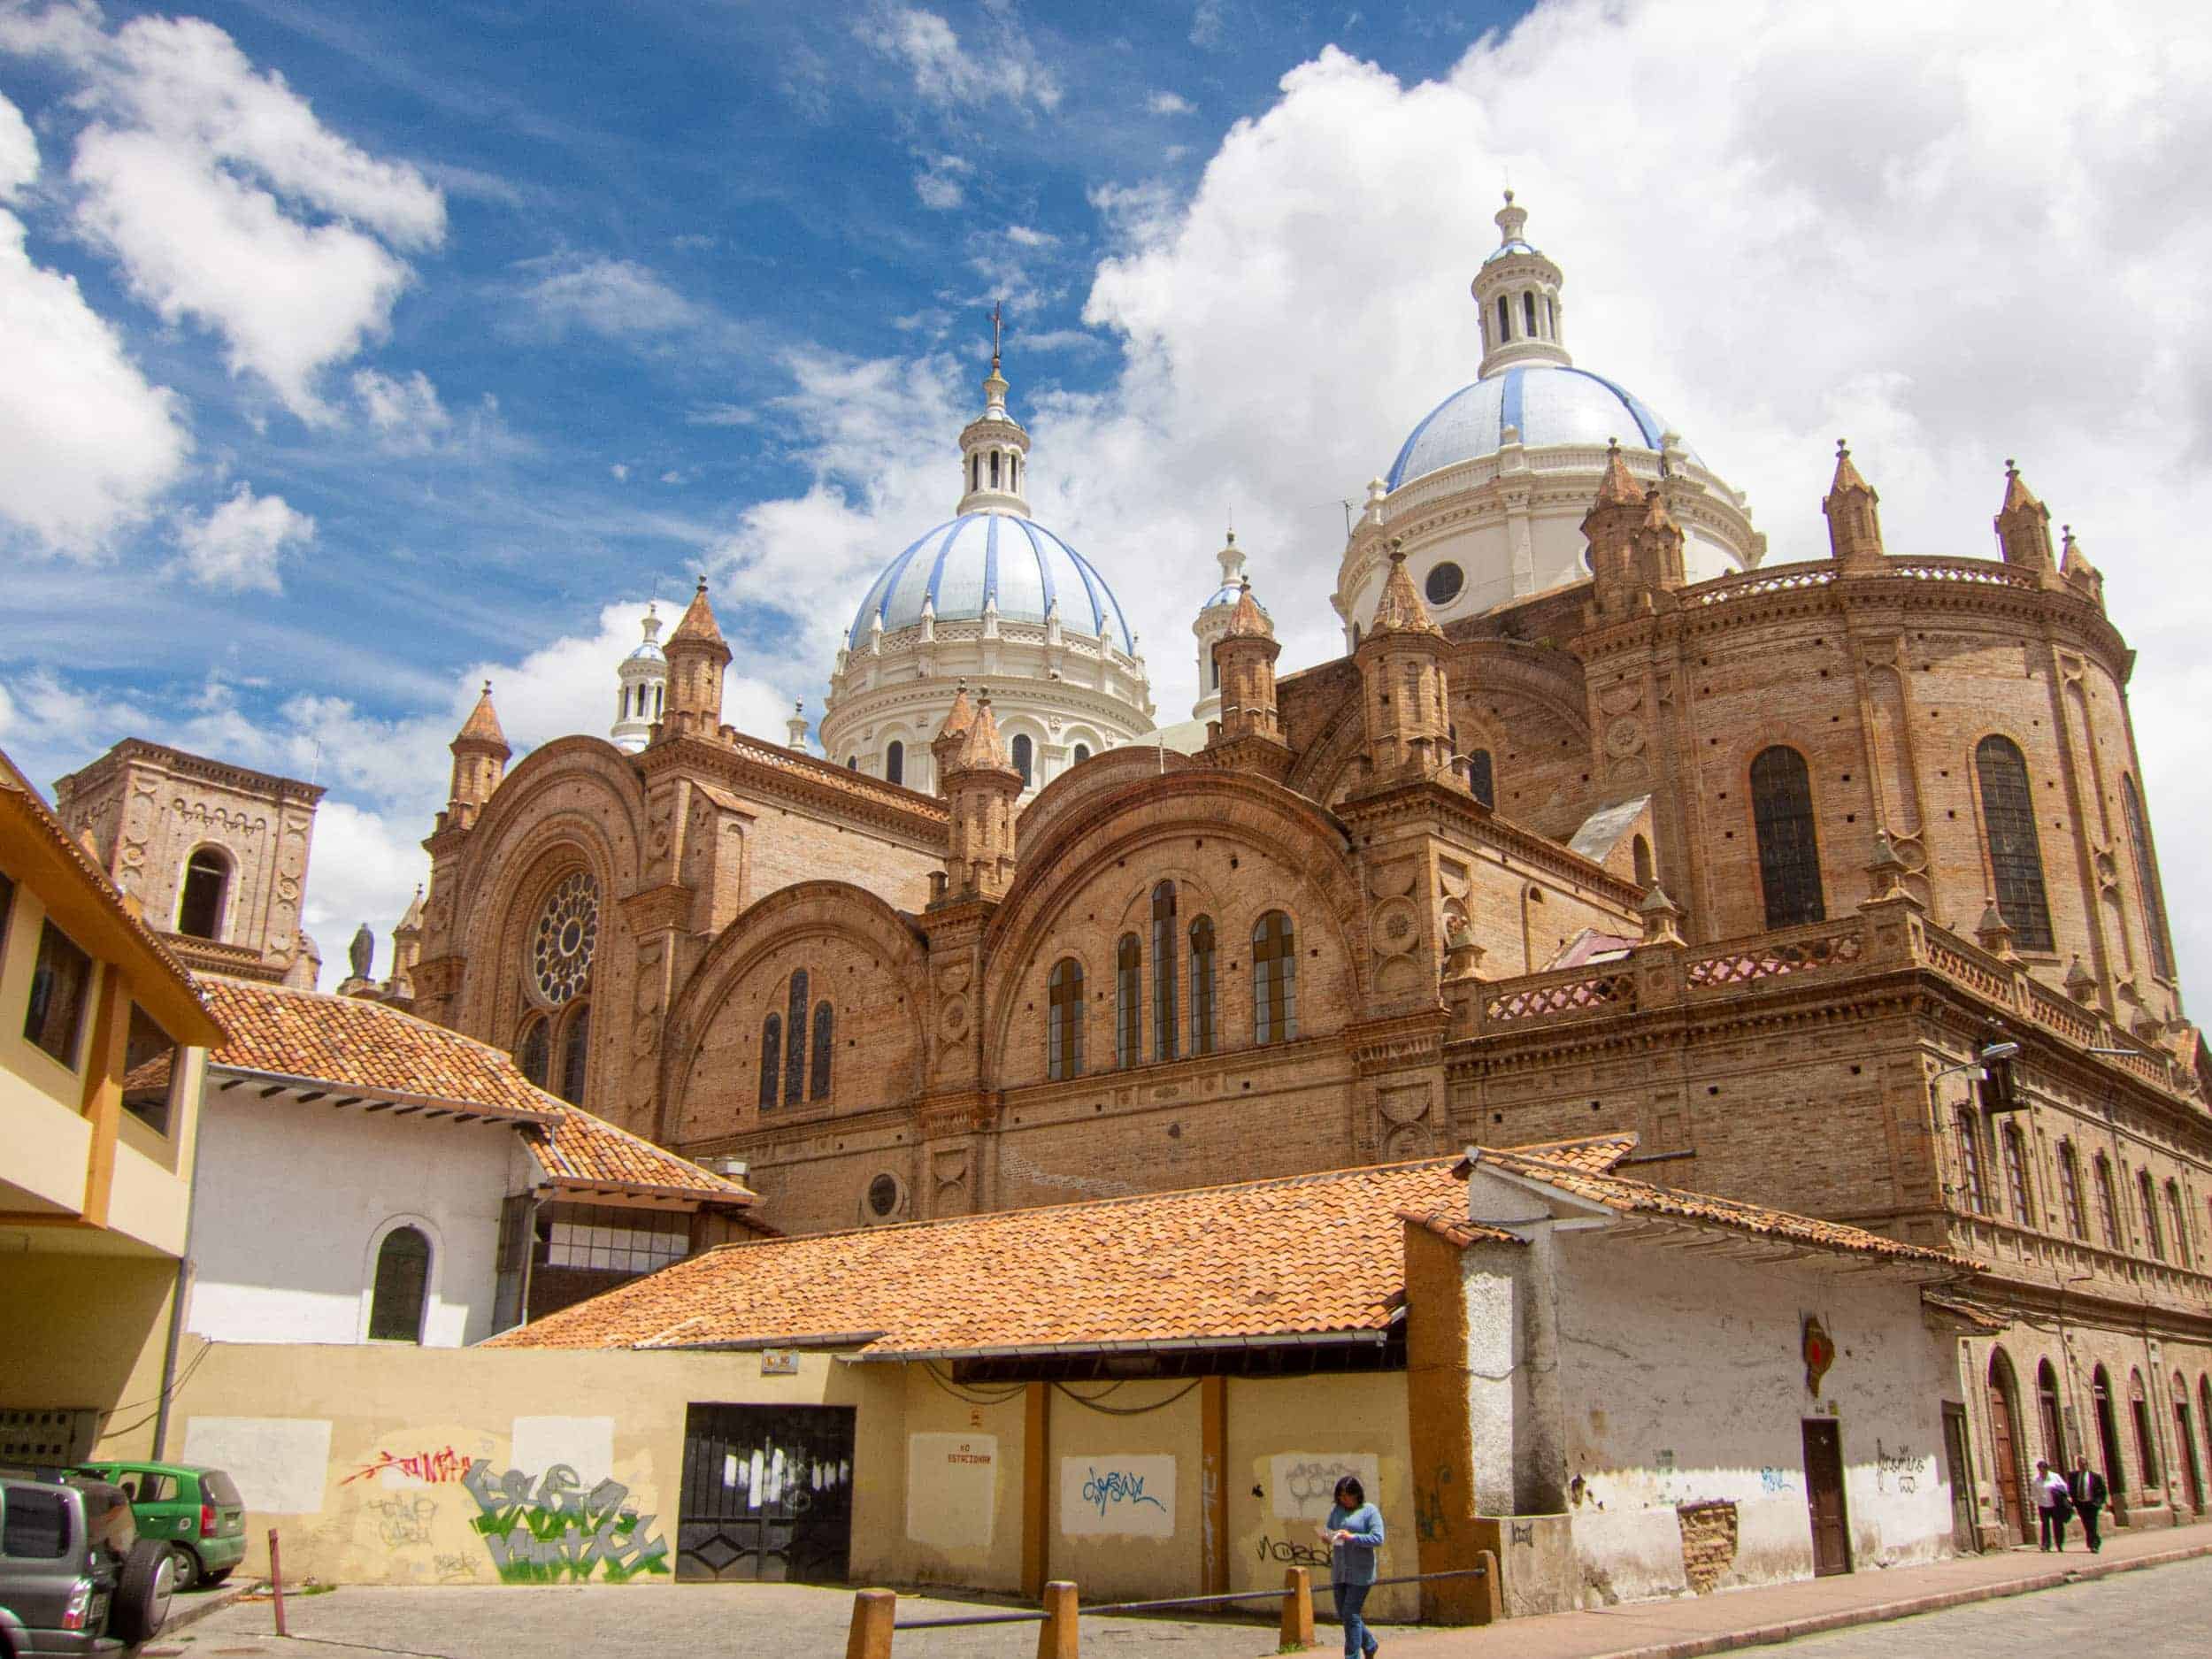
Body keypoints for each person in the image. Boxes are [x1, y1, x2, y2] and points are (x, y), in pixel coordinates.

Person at [1321, 1476, 1386, 1659]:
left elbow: (1378, 1538)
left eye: (1347, 1496)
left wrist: (1353, 1537)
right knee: (1345, 1614)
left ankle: (1352, 1656)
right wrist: (1328, 1536)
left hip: (1361, 1572)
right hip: (1340, 1570)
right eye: (1340, 1497)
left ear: (1357, 1494)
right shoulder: (1337, 1511)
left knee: (1351, 1613)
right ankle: (1370, 1644)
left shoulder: (1369, 1511)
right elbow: (1329, 1529)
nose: (1344, 1500)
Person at [2070, 1455, 2108, 1554]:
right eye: (2080, 1465)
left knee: (2092, 1525)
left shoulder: (2095, 1477)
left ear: (2087, 1465)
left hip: (2092, 1504)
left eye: (2083, 1464)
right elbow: (2071, 1489)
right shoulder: (2074, 1476)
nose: (2082, 1467)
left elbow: (2103, 1491)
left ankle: (2094, 1545)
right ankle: (2093, 1541)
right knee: (2086, 1525)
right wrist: (2073, 1502)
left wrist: (2098, 1502)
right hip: (2081, 1504)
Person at [2033, 1459, 2072, 1550]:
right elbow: (2034, 1492)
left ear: (2047, 1469)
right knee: (2045, 1525)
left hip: (2055, 1504)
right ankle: (2046, 1545)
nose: (2041, 1472)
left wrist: (2058, 1492)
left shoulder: (2055, 1477)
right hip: (2043, 1504)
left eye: (2043, 1469)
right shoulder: (2036, 1479)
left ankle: (2059, 1543)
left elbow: (2064, 1488)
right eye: (2040, 1469)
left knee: (2057, 1524)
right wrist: (2037, 1500)